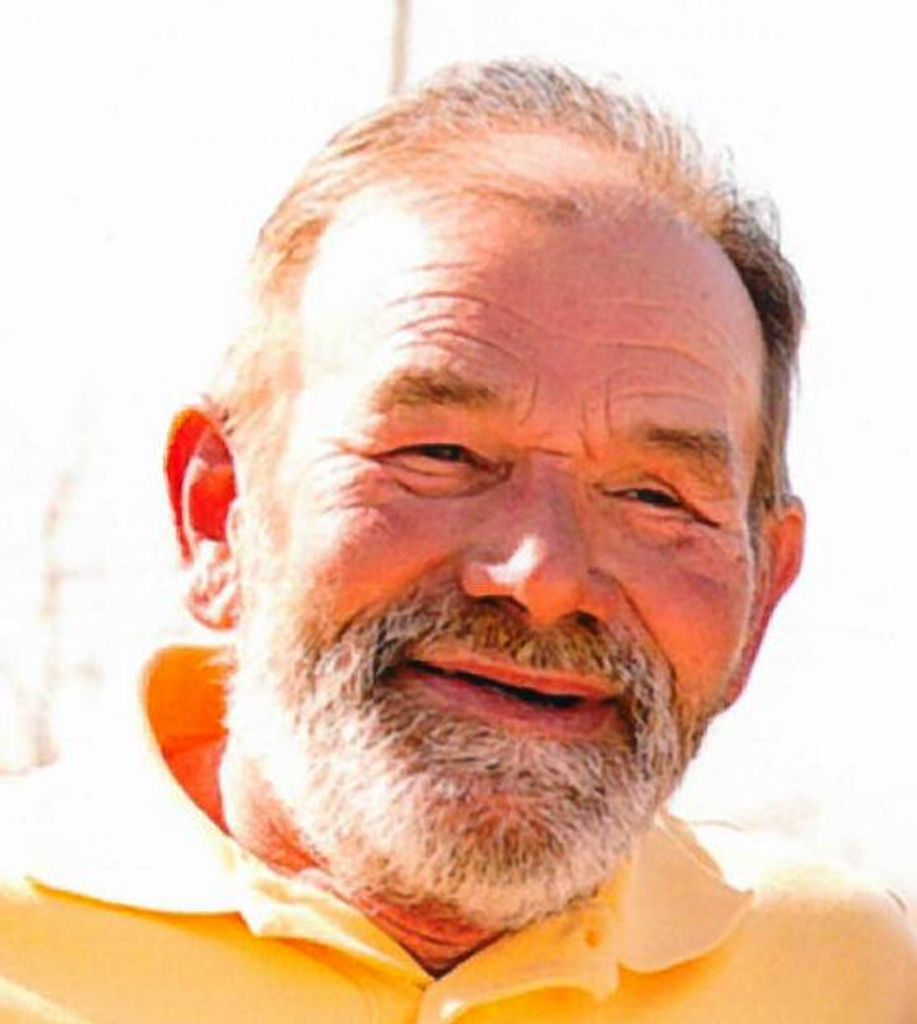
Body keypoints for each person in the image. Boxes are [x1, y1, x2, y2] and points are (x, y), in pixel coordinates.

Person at [1, 60, 914, 1022]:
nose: (542, 576)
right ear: (218, 515)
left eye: (654, 498)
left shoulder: (839, 981)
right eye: (441, 455)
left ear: (763, 590)